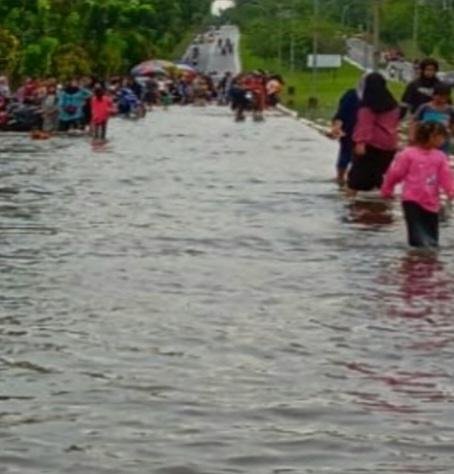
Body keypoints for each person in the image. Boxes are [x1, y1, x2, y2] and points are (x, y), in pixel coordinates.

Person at [381, 122, 454, 248]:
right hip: (412, 200)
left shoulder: (440, 157)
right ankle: (417, 257)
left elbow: (446, 176)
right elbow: (395, 173)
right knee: (416, 234)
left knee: (432, 237)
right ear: (432, 136)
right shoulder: (408, 154)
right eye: (442, 137)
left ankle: (428, 259)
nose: (443, 140)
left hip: (432, 202)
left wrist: (451, 191)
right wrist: (387, 189)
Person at [347, 72, 400, 193]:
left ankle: (353, 208)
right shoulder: (393, 105)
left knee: (356, 181)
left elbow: (364, 125)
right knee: (378, 177)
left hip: (371, 145)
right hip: (389, 146)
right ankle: (379, 208)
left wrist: (360, 143)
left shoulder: (367, 106)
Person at [330, 76, 365, 185]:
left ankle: (355, 180)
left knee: (362, 158)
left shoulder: (377, 98)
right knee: (345, 154)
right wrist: (337, 127)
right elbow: (341, 113)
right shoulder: (351, 95)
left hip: (366, 133)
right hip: (349, 131)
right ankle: (340, 178)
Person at [412, 82, 454, 154]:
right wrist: (412, 135)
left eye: (445, 97)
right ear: (434, 95)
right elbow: (415, 122)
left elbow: (452, 124)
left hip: (442, 141)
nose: (442, 99)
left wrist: (450, 135)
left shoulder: (450, 110)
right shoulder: (425, 107)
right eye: (440, 96)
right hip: (425, 139)